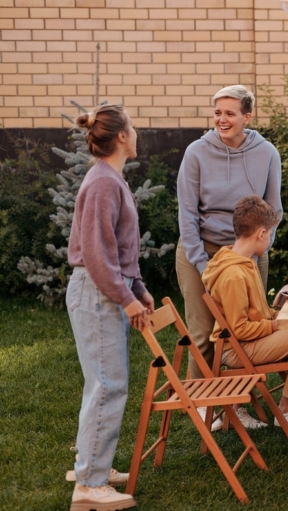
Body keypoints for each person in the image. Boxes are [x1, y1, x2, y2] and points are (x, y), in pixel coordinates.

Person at [65, 105, 152, 510]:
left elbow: (118, 249)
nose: (135, 134)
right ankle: (90, 485)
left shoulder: (110, 178)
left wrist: (138, 287)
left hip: (103, 288)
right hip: (97, 291)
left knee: (102, 382)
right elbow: (99, 257)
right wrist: (128, 299)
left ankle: (92, 464)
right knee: (107, 384)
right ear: (121, 136)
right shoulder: (103, 182)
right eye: (132, 128)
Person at [177, 85, 283, 392]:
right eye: (217, 113)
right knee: (203, 331)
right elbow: (186, 213)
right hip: (201, 249)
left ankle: (240, 401)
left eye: (229, 114)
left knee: (250, 328)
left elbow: (273, 209)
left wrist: (260, 247)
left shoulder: (267, 153)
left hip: (248, 251)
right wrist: (202, 265)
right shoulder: (196, 152)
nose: (222, 120)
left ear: (247, 117)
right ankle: (200, 400)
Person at [201, 196, 288, 431]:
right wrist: (276, 325)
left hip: (250, 340)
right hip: (235, 350)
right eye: (271, 234)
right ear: (261, 233)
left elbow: (257, 311)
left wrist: (277, 315)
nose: (270, 239)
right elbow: (238, 329)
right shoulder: (233, 275)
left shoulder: (246, 262)